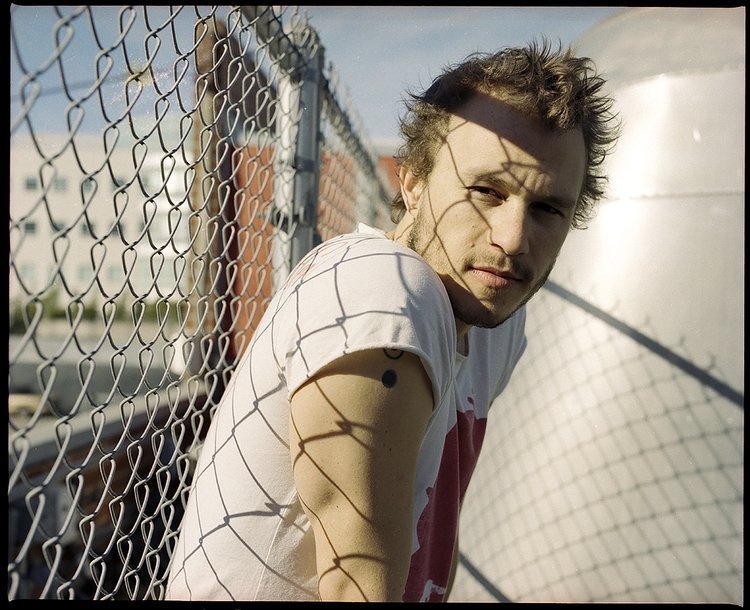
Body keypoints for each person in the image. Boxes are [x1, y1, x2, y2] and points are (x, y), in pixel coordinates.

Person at [165, 39, 619, 602]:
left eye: (549, 209)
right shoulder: (381, 290)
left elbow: (433, 546)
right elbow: (359, 586)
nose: (513, 240)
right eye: (485, 191)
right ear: (412, 182)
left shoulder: (494, 325)